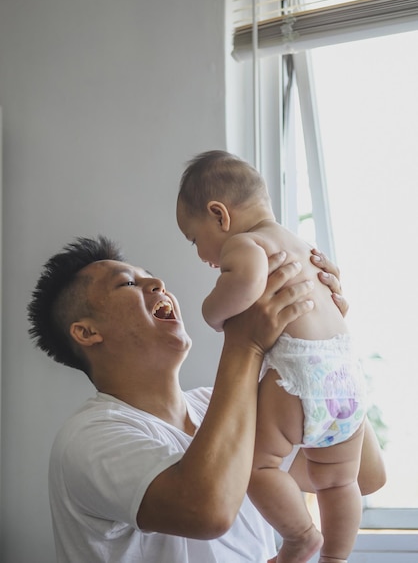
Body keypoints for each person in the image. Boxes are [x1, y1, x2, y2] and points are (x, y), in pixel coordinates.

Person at [27, 236, 385, 563]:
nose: (157, 284)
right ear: (87, 332)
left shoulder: (221, 406)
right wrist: (245, 343)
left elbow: (365, 475)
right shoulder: (89, 437)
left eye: (150, 276)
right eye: (128, 283)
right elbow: (207, 511)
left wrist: (322, 341)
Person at [177, 151, 378, 563]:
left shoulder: (247, 244)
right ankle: (336, 557)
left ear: (220, 215)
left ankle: (301, 538)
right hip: (347, 378)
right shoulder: (304, 247)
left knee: (256, 468)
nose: (201, 255)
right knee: (339, 482)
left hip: (301, 376)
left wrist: (211, 312)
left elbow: (246, 281)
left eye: (195, 239)